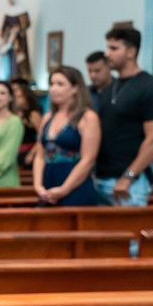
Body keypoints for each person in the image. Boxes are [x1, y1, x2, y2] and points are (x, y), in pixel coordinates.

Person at [94, 27, 153, 206]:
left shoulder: (147, 86)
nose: (106, 53)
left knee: (130, 235)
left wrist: (128, 176)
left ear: (131, 51)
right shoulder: (109, 88)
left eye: (113, 48)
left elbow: (152, 139)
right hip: (100, 179)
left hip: (128, 184)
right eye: (107, 48)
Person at [32, 67, 99, 207]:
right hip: (48, 184)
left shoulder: (87, 117)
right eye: (51, 84)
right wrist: (38, 186)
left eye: (60, 84)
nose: (53, 89)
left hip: (74, 185)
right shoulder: (48, 118)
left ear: (75, 88)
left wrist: (64, 189)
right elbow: (39, 156)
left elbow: (88, 160)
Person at [11, 79, 42, 167]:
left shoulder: (34, 114)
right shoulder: (17, 114)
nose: (17, 100)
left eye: (20, 96)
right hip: (17, 152)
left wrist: (32, 153)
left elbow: (41, 135)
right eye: (16, 97)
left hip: (29, 150)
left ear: (27, 97)